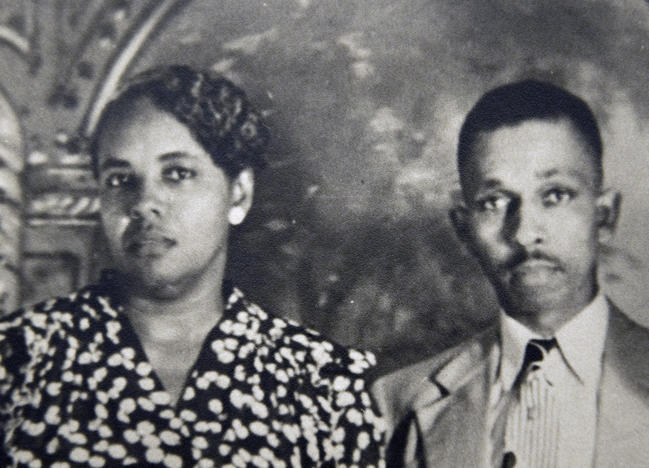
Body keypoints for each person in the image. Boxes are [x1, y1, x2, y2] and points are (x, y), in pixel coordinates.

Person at [0, 65, 384, 467]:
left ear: (238, 194)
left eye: (177, 174)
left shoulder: (329, 384)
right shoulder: (19, 359)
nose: (144, 203)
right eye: (119, 179)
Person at [372, 79, 649, 467]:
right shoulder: (397, 404)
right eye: (494, 202)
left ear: (604, 215)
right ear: (464, 230)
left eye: (555, 195)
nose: (526, 234)